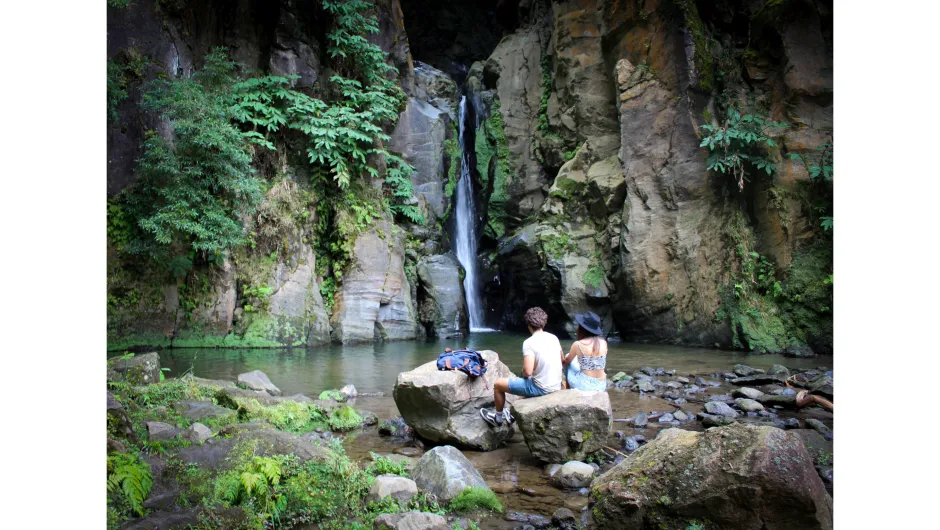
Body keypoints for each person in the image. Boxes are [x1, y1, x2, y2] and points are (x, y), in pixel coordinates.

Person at [480, 307, 563, 427]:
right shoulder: (553, 337)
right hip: (556, 385)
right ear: (544, 323)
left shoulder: (529, 343)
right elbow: (561, 360)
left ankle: (498, 418)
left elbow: (528, 372)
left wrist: (525, 373)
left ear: (529, 325)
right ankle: (511, 413)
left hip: (542, 388)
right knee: (525, 381)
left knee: (498, 385)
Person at [562, 311, 607, 391]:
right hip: (601, 385)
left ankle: (568, 390)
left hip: (584, 386)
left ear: (582, 328)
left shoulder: (578, 344)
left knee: (567, 356)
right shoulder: (603, 343)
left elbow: (567, 361)